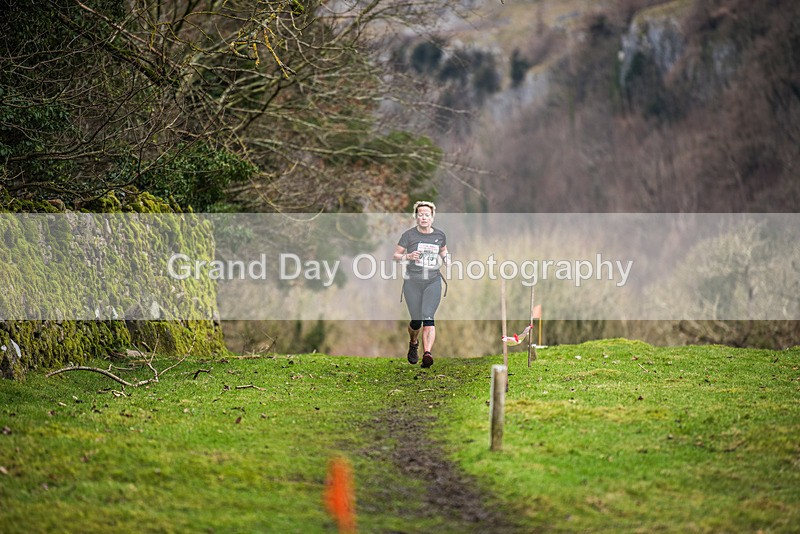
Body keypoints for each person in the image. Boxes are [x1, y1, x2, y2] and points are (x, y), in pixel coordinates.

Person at [393, 201, 449, 368]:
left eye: (427, 215)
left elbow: (444, 250)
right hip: (412, 282)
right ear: (416, 217)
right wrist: (408, 257)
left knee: (428, 317)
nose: (424, 217)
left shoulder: (440, 235)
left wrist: (447, 259)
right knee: (416, 321)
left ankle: (427, 353)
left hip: (433, 281)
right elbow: (396, 256)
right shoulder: (408, 236)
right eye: (420, 215)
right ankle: (413, 342)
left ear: (432, 217)